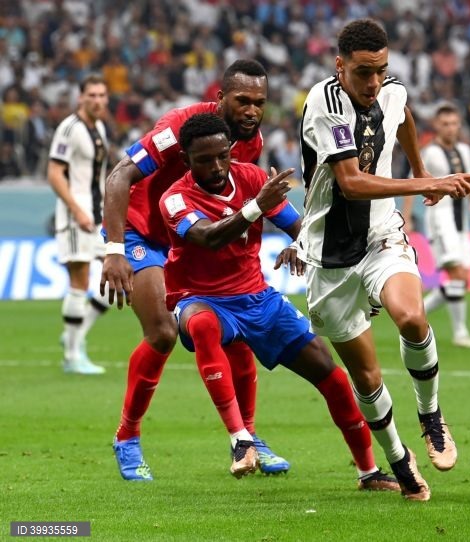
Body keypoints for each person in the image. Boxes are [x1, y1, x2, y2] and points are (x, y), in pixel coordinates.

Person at [296, 19, 470, 501]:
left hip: (381, 234)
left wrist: (418, 164)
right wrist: (427, 183)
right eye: (363, 72)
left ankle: (431, 417)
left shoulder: (389, 89)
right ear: (340, 66)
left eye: (381, 70)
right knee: (368, 376)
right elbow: (352, 182)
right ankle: (399, 458)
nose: (374, 82)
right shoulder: (324, 103)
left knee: (412, 317)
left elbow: (404, 115)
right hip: (330, 256)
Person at [159, 113, 399, 489]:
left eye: (222, 155)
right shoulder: (174, 199)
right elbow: (208, 238)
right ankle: (241, 439)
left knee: (333, 376)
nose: (217, 166)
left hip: (258, 299)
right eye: (204, 160)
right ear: (186, 160)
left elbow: (299, 226)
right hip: (201, 298)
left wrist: (299, 244)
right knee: (202, 325)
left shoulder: (253, 179)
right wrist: (255, 207)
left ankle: (368, 471)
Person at [99, 60, 289, 480]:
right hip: (142, 234)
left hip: (191, 238)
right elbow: (118, 177)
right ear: (220, 98)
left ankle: (249, 438)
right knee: (163, 333)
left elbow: (235, 204)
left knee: (235, 329)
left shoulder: (250, 142)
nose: (252, 110)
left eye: (260, 102)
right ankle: (127, 437)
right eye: (243, 100)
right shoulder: (177, 128)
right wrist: (114, 249)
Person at [402, 103, 470, 349]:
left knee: (463, 278)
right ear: (437, 125)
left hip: (461, 220)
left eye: (454, 123)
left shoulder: (464, 150)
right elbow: (411, 182)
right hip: (440, 217)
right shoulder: (429, 152)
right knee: (456, 274)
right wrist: (406, 217)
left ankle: (415, 314)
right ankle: (460, 332)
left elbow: (468, 175)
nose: (450, 128)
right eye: (445, 123)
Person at [47, 74, 111, 375]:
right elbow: (54, 173)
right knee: (80, 280)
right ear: (80, 97)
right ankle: (72, 356)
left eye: (102, 95)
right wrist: (77, 210)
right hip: (76, 215)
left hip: (98, 214)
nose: (98, 100)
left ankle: (76, 333)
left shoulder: (99, 128)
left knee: (119, 279)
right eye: (92, 95)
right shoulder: (69, 129)